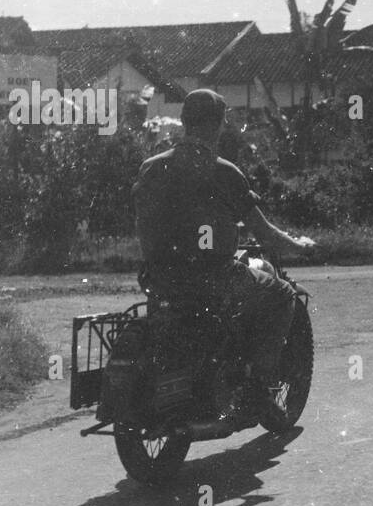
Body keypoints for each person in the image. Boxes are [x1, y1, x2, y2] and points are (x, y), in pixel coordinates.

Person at [132, 89, 314, 426]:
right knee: (281, 294)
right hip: (213, 280)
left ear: (186, 121)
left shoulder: (151, 168)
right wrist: (299, 245)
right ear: (218, 125)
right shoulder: (224, 172)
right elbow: (265, 233)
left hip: (159, 280)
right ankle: (258, 389)